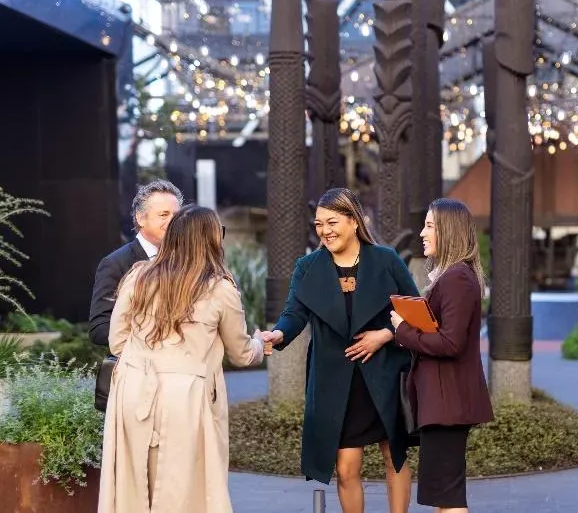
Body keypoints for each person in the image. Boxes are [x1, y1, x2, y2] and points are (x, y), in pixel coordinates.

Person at [261, 188, 418, 513]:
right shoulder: (308, 267)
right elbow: (294, 314)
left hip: (385, 374)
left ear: (353, 220)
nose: (325, 231)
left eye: (332, 222)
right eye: (319, 224)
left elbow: (415, 310)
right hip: (336, 382)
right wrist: (277, 334)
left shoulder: (386, 260)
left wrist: (385, 335)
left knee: (395, 457)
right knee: (346, 467)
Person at [98, 204, 263, 513]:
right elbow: (241, 354)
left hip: (132, 389)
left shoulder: (138, 277)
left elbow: (117, 340)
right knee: (184, 492)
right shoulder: (219, 288)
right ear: (211, 240)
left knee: (132, 485)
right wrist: (259, 342)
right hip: (185, 397)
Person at [390, 198, 494, 513]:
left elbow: (451, 343)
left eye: (430, 226)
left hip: (448, 405)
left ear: (449, 231)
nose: (422, 233)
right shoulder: (453, 277)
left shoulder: (457, 278)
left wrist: (403, 329)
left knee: (448, 498)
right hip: (443, 403)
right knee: (444, 497)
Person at [89, 179, 183, 346]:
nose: (172, 222)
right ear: (141, 218)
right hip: (138, 368)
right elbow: (99, 328)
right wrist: (154, 338)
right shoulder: (115, 264)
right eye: (163, 215)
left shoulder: (187, 259)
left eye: (176, 216)